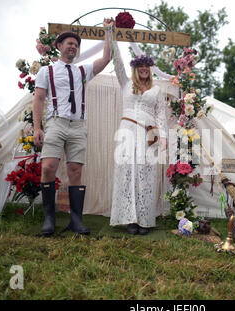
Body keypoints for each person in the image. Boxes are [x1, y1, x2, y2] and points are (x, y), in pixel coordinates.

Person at [32, 19, 114, 236]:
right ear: (59, 46)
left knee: (75, 171)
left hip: (78, 125)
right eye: (69, 43)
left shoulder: (82, 71)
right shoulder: (46, 71)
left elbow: (107, 58)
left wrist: (108, 31)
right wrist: (37, 128)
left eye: (76, 45)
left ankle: (75, 220)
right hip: (56, 122)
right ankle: (49, 219)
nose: (73, 47)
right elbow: (39, 98)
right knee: (48, 167)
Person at [108, 24, 168, 235]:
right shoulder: (125, 83)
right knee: (127, 173)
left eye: (146, 66)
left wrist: (164, 137)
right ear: (135, 68)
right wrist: (111, 34)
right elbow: (117, 62)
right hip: (127, 131)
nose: (143, 69)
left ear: (149, 69)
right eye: (140, 66)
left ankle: (144, 219)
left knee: (145, 175)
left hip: (149, 134)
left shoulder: (157, 90)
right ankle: (129, 219)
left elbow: (161, 114)